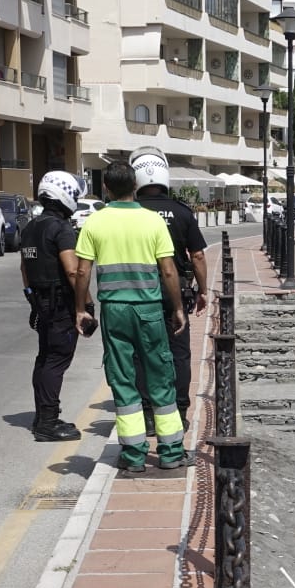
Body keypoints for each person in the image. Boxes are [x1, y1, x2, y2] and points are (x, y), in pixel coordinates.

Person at [72, 161, 190, 475]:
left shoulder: (95, 222)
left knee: (123, 380)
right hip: (149, 309)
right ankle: (171, 452)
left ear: (106, 188)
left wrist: (81, 308)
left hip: (114, 311)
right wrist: (178, 308)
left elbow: (82, 271)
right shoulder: (152, 221)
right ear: (135, 186)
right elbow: (168, 270)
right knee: (160, 377)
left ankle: (134, 455)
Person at [130, 148, 209, 434]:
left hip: (139, 293)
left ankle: (148, 415)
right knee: (179, 354)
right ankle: (180, 412)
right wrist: (202, 290)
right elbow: (197, 256)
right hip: (175, 294)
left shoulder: (130, 212)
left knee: (142, 354)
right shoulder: (181, 212)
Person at [20, 171, 90, 442]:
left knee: (44, 358)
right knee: (56, 360)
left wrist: (31, 297)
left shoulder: (30, 227)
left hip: (41, 302)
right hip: (60, 304)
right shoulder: (61, 229)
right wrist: (86, 304)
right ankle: (48, 423)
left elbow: (24, 268)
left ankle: (42, 416)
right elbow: (73, 271)